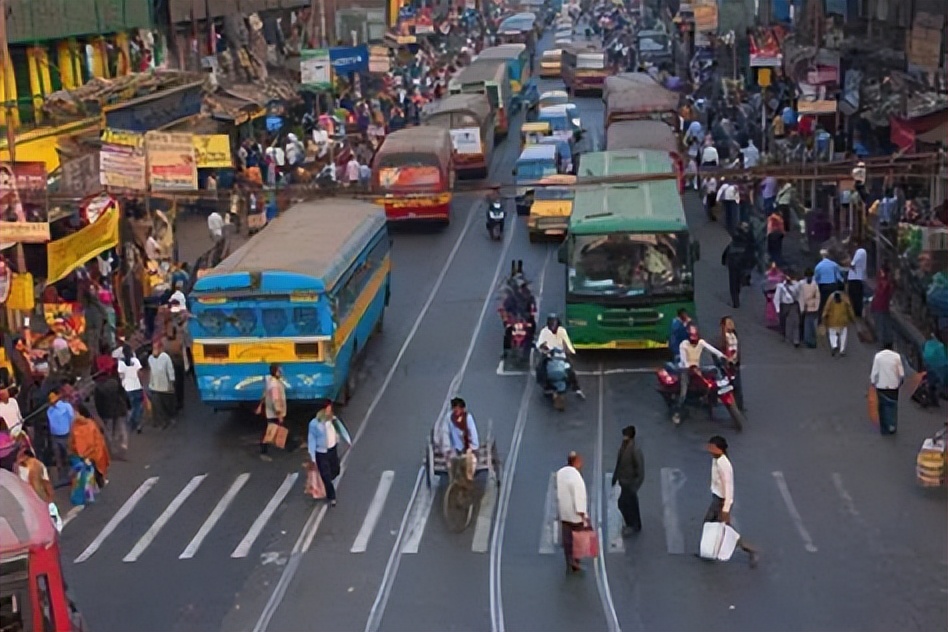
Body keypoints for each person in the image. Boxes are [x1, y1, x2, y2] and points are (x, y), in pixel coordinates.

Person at [702, 436, 759, 568]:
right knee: (710, 525)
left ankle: (750, 550)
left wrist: (725, 509)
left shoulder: (724, 465)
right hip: (717, 498)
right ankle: (708, 552)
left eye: (712, 447)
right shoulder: (716, 459)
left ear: (720, 450)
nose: (709, 450)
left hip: (721, 501)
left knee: (724, 530)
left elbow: (729, 488)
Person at [307, 402, 347, 506]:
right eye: (328, 409)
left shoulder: (332, 420)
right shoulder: (315, 424)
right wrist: (312, 456)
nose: (330, 411)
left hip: (332, 450)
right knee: (325, 475)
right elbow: (312, 440)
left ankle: (329, 482)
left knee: (336, 470)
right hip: (321, 452)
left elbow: (339, 430)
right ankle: (331, 496)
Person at [536, 314, 584, 399]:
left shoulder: (562, 331)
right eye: (551, 322)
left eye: (554, 322)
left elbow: (567, 342)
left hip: (561, 354)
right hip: (549, 355)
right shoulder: (544, 331)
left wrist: (572, 352)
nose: (553, 324)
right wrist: (543, 348)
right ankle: (546, 386)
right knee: (540, 369)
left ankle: (577, 388)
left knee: (570, 370)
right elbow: (539, 344)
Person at [678, 326, 728, 406]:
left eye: (695, 335)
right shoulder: (683, 345)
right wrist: (692, 368)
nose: (693, 338)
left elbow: (712, 349)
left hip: (697, 368)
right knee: (684, 392)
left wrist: (722, 356)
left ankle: (719, 389)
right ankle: (679, 407)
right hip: (686, 370)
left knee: (714, 370)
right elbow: (684, 360)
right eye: (691, 335)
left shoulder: (701, 342)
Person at [556, 451, 588, 573]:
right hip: (575, 515)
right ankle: (576, 561)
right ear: (576, 462)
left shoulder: (561, 473)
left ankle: (568, 559)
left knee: (567, 538)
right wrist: (582, 513)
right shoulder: (576, 478)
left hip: (564, 512)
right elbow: (578, 496)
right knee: (578, 539)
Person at [611, 426, 644, 535]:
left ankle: (632, 525)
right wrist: (615, 477)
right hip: (624, 481)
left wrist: (635, 486)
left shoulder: (635, 450)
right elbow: (619, 463)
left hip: (630, 483)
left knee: (625, 504)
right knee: (631, 504)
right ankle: (635, 524)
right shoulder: (624, 446)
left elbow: (640, 470)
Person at [69, 403, 111, 489]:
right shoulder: (88, 424)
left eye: (75, 412)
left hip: (88, 453)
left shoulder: (80, 425)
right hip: (92, 452)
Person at [93, 366, 129, 456]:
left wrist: (100, 414)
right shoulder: (116, 383)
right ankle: (123, 444)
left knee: (108, 430)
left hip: (107, 411)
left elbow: (98, 403)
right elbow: (124, 396)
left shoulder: (98, 388)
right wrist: (127, 406)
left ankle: (111, 448)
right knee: (122, 427)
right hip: (119, 408)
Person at [870, 343, 904, 435]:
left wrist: (873, 382)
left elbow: (874, 372)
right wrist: (900, 382)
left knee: (882, 407)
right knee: (893, 406)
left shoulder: (878, 357)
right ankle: (892, 425)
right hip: (893, 385)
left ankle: (884, 428)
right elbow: (901, 374)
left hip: (881, 385)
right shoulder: (896, 357)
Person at [46, 387, 76, 487]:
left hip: (66, 435)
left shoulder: (66, 407)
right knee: (58, 458)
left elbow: (72, 419)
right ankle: (61, 477)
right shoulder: (49, 410)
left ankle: (72, 476)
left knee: (68, 456)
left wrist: (72, 433)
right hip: (54, 436)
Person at [721, 228, 755, 308]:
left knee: (733, 282)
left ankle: (735, 301)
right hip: (741, 264)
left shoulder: (732, 243)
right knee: (739, 281)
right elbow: (751, 256)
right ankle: (738, 293)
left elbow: (725, 253)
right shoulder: (747, 244)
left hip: (732, 263)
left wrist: (723, 261)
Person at [446, 397, 479, 481]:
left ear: (462, 409)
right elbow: (447, 433)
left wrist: (472, 447)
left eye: (458, 409)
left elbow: (473, 433)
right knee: (451, 466)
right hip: (456, 448)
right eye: (454, 409)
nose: (456, 412)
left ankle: (469, 480)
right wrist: (449, 448)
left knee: (471, 465)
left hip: (468, 448)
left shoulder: (468, 418)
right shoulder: (450, 418)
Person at [260, 363, 287, 461]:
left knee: (277, 429)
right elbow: (276, 400)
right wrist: (279, 413)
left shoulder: (270, 381)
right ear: (276, 372)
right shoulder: (274, 385)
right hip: (274, 412)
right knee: (270, 433)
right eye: (280, 370)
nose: (281, 372)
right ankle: (263, 451)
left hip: (270, 411)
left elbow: (264, 394)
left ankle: (290, 446)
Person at [147, 340, 176, 430]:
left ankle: (168, 418)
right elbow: (151, 371)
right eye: (153, 348)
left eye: (156, 348)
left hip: (165, 386)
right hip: (154, 386)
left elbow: (170, 370)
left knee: (166, 404)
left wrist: (171, 381)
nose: (154, 350)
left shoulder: (165, 357)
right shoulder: (150, 358)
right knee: (157, 405)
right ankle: (160, 421)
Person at [117, 344, 145, 434]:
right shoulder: (135, 361)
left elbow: (121, 376)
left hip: (127, 388)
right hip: (137, 386)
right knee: (138, 407)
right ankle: (138, 425)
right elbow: (140, 373)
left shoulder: (121, 363)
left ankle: (131, 422)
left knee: (130, 407)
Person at [163, 314, 187, 412]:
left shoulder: (174, 341)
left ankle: (178, 401)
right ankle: (177, 401)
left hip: (176, 363)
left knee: (178, 384)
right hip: (173, 363)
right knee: (175, 384)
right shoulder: (175, 341)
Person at [719, 317, 744, 411]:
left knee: (738, 385)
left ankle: (740, 406)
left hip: (735, 363)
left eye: (731, 322)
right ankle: (733, 406)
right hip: (728, 364)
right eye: (728, 323)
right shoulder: (722, 337)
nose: (731, 325)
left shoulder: (734, 335)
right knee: (731, 385)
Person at [822, 290, 856, 357]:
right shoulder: (845, 298)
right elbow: (849, 308)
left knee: (832, 334)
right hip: (843, 321)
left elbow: (826, 308)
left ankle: (834, 345)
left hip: (832, 321)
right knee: (843, 335)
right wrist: (853, 318)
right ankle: (842, 350)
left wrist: (823, 318)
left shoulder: (831, 297)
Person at [773, 271, 801, 347]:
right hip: (784, 305)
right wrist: (777, 309)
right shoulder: (780, 286)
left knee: (796, 321)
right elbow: (776, 298)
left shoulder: (797, 285)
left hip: (793, 305)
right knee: (783, 321)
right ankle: (784, 335)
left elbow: (799, 295)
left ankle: (796, 340)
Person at [814, 250, 842, 320]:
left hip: (823, 287)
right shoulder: (834, 264)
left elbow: (816, 278)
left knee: (823, 303)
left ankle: (821, 320)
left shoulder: (818, 266)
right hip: (833, 285)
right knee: (834, 302)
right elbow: (838, 277)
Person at [869, 267, 894, 347]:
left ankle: (882, 343)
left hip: (879, 306)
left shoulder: (883, 283)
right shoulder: (886, 283)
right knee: (885, 324)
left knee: (881, 325)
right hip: (883, 306)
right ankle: (887, 342)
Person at [798, 268, 821, 348]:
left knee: (808, 324)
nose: (809, 278)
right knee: (808, 324)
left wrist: (816, 307)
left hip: (809, 307)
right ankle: (809, 340)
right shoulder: (811, 284)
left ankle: (808, 340)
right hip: (807, 307)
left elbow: (817, 297)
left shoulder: (812, 284)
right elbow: (800, 296)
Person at [847, 244, 867, 319]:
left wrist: (847, 263)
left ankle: (856, 313)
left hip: (855, 278)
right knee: (857, 296)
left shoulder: (860, 251)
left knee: (854, 296)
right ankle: (857, 313)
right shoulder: (861, 252)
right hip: (857, 278)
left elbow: (852, 264)